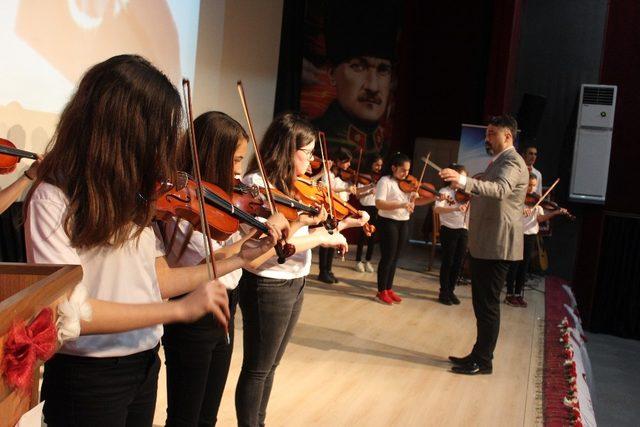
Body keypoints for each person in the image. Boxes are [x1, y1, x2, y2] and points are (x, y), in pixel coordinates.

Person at [23, 55, 285, 426]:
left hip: (144, 362)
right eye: (157, 132)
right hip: (89, 378)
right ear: (123, 130)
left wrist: (237, 258)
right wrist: (177, 311)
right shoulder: (53, 198)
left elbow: (158, 280)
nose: (163, 149)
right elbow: (69, 313)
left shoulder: (136, 197)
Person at [161, 111, 290, 426]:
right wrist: (251, 234)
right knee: (185, 416)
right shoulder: (184, 205)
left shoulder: (225, 201)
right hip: (192, 313)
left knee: (208, 415)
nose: (238, 171)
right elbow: (210, 262)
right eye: (234, 160)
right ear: (211, 156)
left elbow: (235, 254)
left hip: (225, 306)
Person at [236, 112, 364, 427]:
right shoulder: (257, 186)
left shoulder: (296, 187)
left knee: (271, 366)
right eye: (305, 152)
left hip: (295, 281)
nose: (312, 160)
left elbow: (303, 235)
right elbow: (274, 242)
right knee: (258, 368)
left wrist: (344, 225)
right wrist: (321, 236)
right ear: (285, 148)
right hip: (268, 283)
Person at [440, 114, 529, 375]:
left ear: (508, 136)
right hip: (488, 240)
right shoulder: (499, 160)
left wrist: (464, 181)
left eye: (492, 133)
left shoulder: (512, 161)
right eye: (487, 133)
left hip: (498, 242)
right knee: (482, 303)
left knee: (487, 305)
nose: (487, 138)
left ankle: (484, 360)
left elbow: (500, 190)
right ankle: (478, 354)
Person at [312, 0, 399, 155]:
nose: (372, 87)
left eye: (383, 70)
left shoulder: (385, 151)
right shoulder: (313, 138)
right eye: (358, 66)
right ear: (332, 73)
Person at [374, 152, 431, 305]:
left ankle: (389, 288)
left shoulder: (407, 185)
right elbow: (379, 204)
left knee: (396, 257)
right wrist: (401, 204)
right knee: (388, 257)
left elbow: (416, 202)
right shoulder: (384, 181)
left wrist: (433, 197)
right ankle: (381, 290)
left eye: (408, 170)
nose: (406, 174)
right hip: (388, 222)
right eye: (403, 170)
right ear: (393, 168)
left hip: (403, 222)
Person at [504, 173, 568, 308]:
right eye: (529, 185)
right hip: (518, 234)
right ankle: (509, 295)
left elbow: (539, 219)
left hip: (531, 235)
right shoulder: (517, 200)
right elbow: (509, 216)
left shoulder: (537, 203)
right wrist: (521, 212)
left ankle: (518, 294)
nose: (532, 189)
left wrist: (555, 213)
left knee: (524, 266)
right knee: (514, 265)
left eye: (534, 186)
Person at [317, 147, 357, 283]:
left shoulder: (338, 173)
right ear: (339, 161)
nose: (349, 165)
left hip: (337, 210)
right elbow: (327, 188)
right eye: (347, 162)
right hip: (328, 209)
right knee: (326, 240)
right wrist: (345, 188)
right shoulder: (327, 172)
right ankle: (322, 271)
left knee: (334, 239)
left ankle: (328, 269)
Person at [433, 163, 469, 306]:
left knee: (459, 262)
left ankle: (451, 290)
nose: (461, 181)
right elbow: (437, 210)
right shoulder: (444, 192)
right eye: (459, 178)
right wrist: (455, 208)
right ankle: (444, 291)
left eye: (464, 179)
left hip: (463, 229)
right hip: (448, 229)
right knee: (448, 261)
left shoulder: (467, 194)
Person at [355, 152, 383, 272]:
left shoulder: (381, 179)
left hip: (375, 209)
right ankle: (358, 261)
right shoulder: (364, 177)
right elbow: (358, 195)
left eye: (380, 165)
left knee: (372, 236)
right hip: (365, 208)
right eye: (376, 165)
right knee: (362, 236)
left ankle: (368, 261)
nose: (379, 167)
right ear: (371, 164)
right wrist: (369, 191)